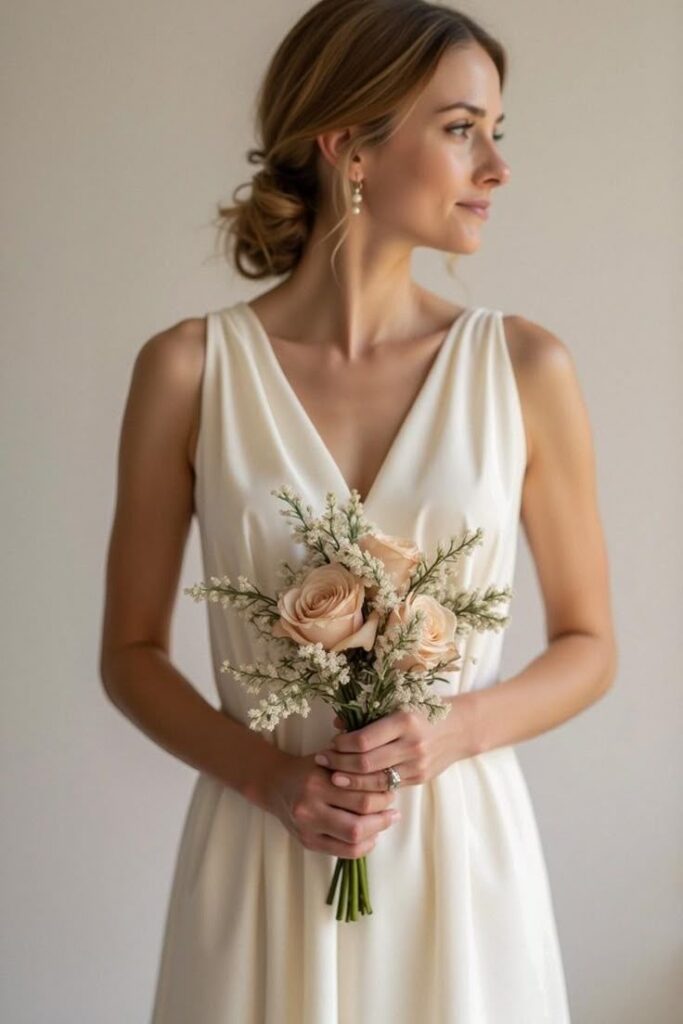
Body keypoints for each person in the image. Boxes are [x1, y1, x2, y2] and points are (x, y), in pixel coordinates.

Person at [99, 1, 617, 1021]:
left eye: (492, 132)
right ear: (350, 147)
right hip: (263, 844)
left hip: (457, 863)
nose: (495, 168)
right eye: (460, 128)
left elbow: (589, 643)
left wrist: (457, 726)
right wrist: (268, 777)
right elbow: (128, 652)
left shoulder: (522, 367)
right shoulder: (187, 370)